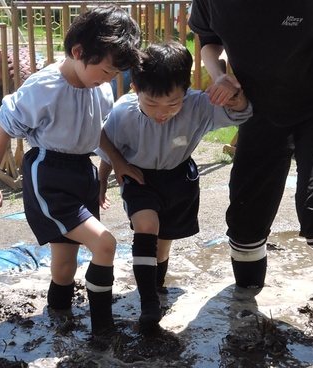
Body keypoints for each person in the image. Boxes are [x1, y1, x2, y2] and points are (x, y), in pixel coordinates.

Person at [188, 0, 313, 343]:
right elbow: (207, 38)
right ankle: (245, 298)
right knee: (244, 219)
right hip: (259, 110)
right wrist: (221, 76)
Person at [0, 5, 142, 344]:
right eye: (107, 70)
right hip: (48, 173)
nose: (109, 79)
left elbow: (96, 131)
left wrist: (117, 163)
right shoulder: (44, 87)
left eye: (115, 74)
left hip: (82, 171)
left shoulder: (101, 87)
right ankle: (103, 331)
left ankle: (58, 316)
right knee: (105, 244)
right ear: (78, 52)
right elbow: (2, 129)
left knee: (66, 265)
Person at [97, 42, 252, 328]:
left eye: (172, 103)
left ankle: (156, 284)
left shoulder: (198, 105)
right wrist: (106, 177)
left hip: (178, 177)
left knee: (163, 240)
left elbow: (240, 113)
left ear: (187, 90)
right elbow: (107, 143)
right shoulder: (124, 112)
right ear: (135, 90)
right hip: (137, 175)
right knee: (146, 226)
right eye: (151, 104)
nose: (162, 112)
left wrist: (236, 96)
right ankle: (148, 304)